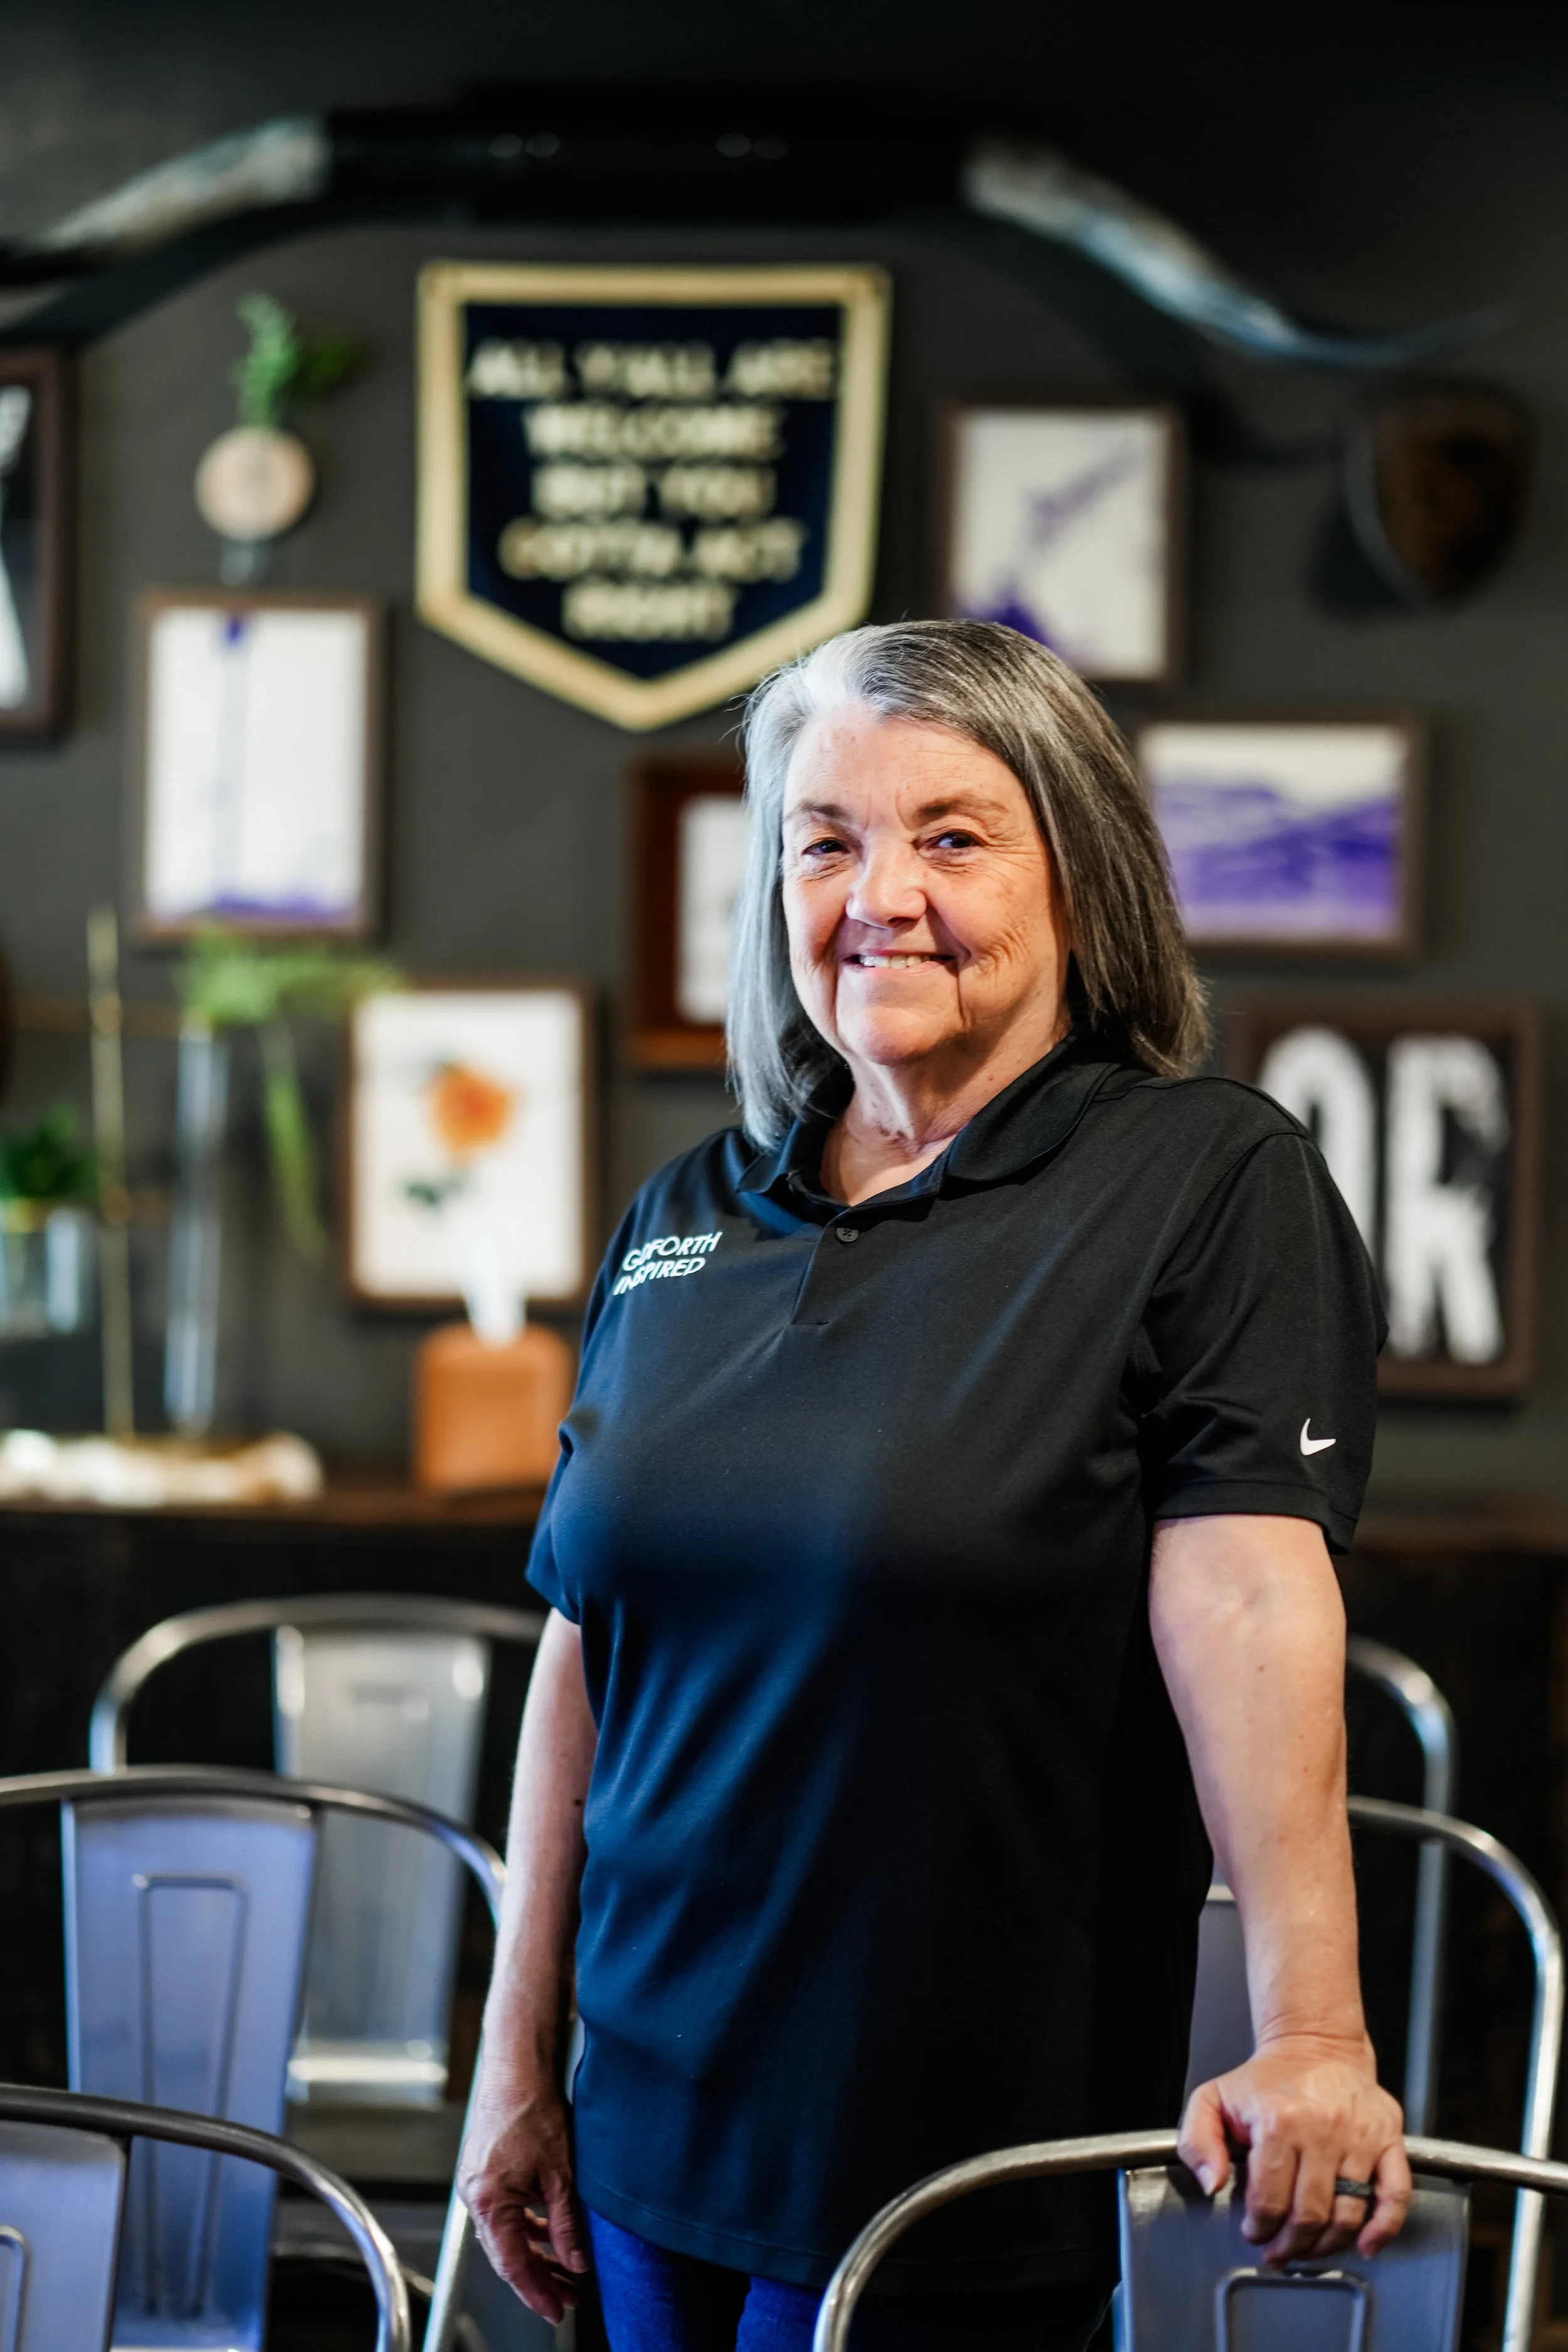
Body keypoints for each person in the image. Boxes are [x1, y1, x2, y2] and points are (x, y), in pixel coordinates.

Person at [458, 619, 1409, 2351]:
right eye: (824, 838)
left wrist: (1315, 2036)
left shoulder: (1204, 1178)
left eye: (951, 835)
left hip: (954, 2156)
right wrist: (510, 2066)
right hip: (640, 2136)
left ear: (1078, 878)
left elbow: (1252, 1593)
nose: (878, 891)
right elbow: (586, 1650)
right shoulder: (687, 1208)